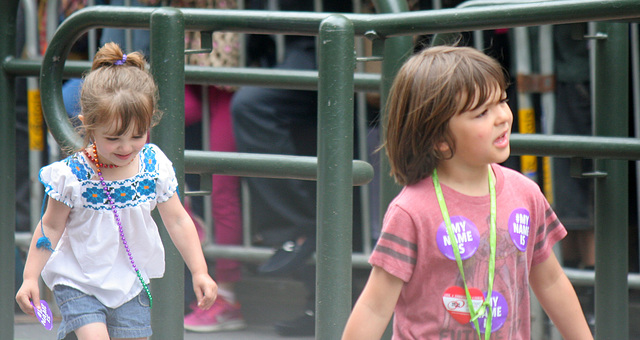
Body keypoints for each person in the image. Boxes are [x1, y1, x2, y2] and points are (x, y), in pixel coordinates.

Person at [342, 45, 592, 339]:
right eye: (481, 113)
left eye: (501, 100)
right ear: (439, 139)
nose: (501, 116)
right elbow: (374, 306)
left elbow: (550, 281)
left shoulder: (525, 192)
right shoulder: (411, 211)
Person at [15, 42, 218, 340]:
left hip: (129, 280)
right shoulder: (72, 175)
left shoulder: (153, 164)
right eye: (113, 138)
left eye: (138, 135)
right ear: (88, 126)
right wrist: (30, 276)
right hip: (78, 279)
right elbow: (51, 225)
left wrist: (200, 271)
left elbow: (177, 220)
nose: (126, 147)